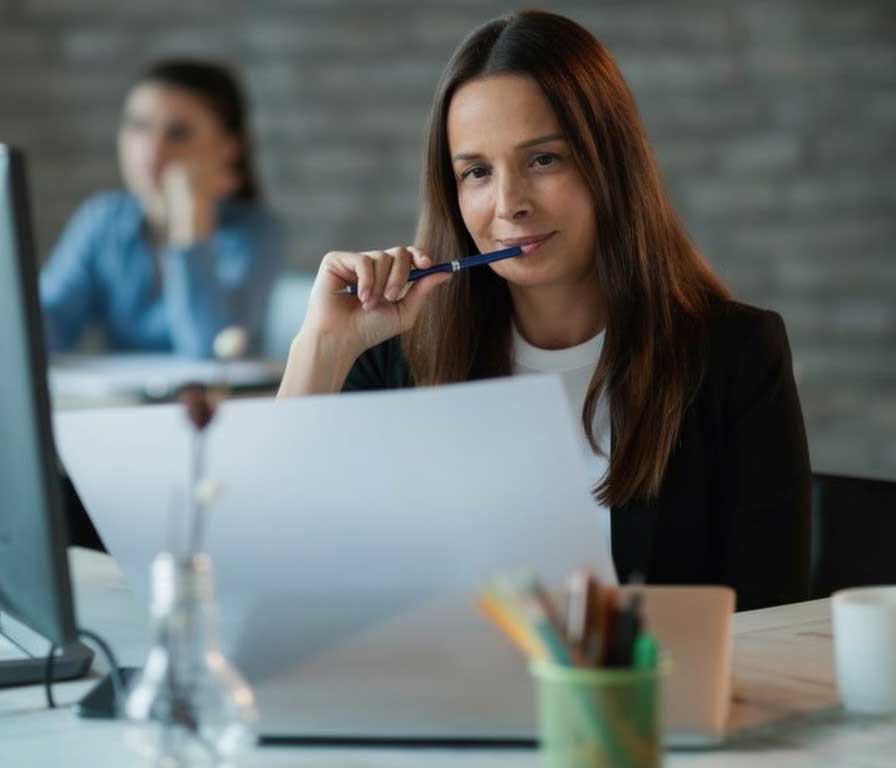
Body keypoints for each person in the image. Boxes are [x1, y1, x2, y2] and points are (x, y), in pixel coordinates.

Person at [277, 11, 811, 611]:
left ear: (610, 164)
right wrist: (319, 350)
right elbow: (269, 572)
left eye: (544, 160)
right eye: (477, 172)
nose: (509, 205)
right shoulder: (396, 362)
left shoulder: (734, 354)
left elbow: (772, 615)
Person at [40, 59, 282, 359]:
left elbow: (209, 351)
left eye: (178, 133)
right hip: (123, 404)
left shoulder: (256, 232)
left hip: (222, 404)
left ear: (228, 147)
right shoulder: (102, 219)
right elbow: (47, 331)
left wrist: (191, 221)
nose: (152, 151)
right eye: (138, 126)